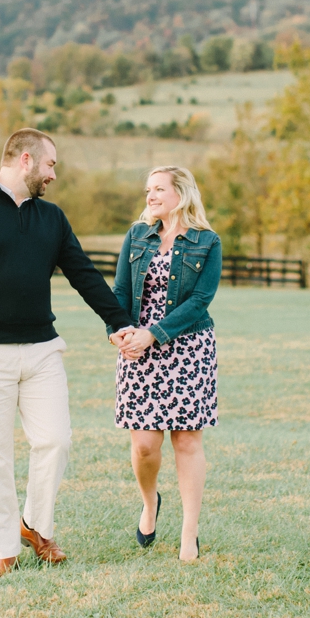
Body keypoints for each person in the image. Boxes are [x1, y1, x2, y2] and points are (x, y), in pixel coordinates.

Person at [0, 128, 135, 576]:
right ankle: (2, 549)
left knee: (56, 440)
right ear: (25, 160)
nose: (54, 175)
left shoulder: (52, 219)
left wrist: (118, 322)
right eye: (51, 165)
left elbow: (83, 273)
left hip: (42, 350)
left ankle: (36, 526)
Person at [109, 166, 222, 562]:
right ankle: (150, 502)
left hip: (188, 347)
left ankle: (189, 533)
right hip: (138, 350)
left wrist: (154, 332)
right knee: (144, 446)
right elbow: (120, 291)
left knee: (187, 440)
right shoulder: (136, 235)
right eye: (147, 190)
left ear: (181, 193)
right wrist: (118, 332)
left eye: (158, 189)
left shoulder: (207, 242)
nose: (150, 196)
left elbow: (199, 301)